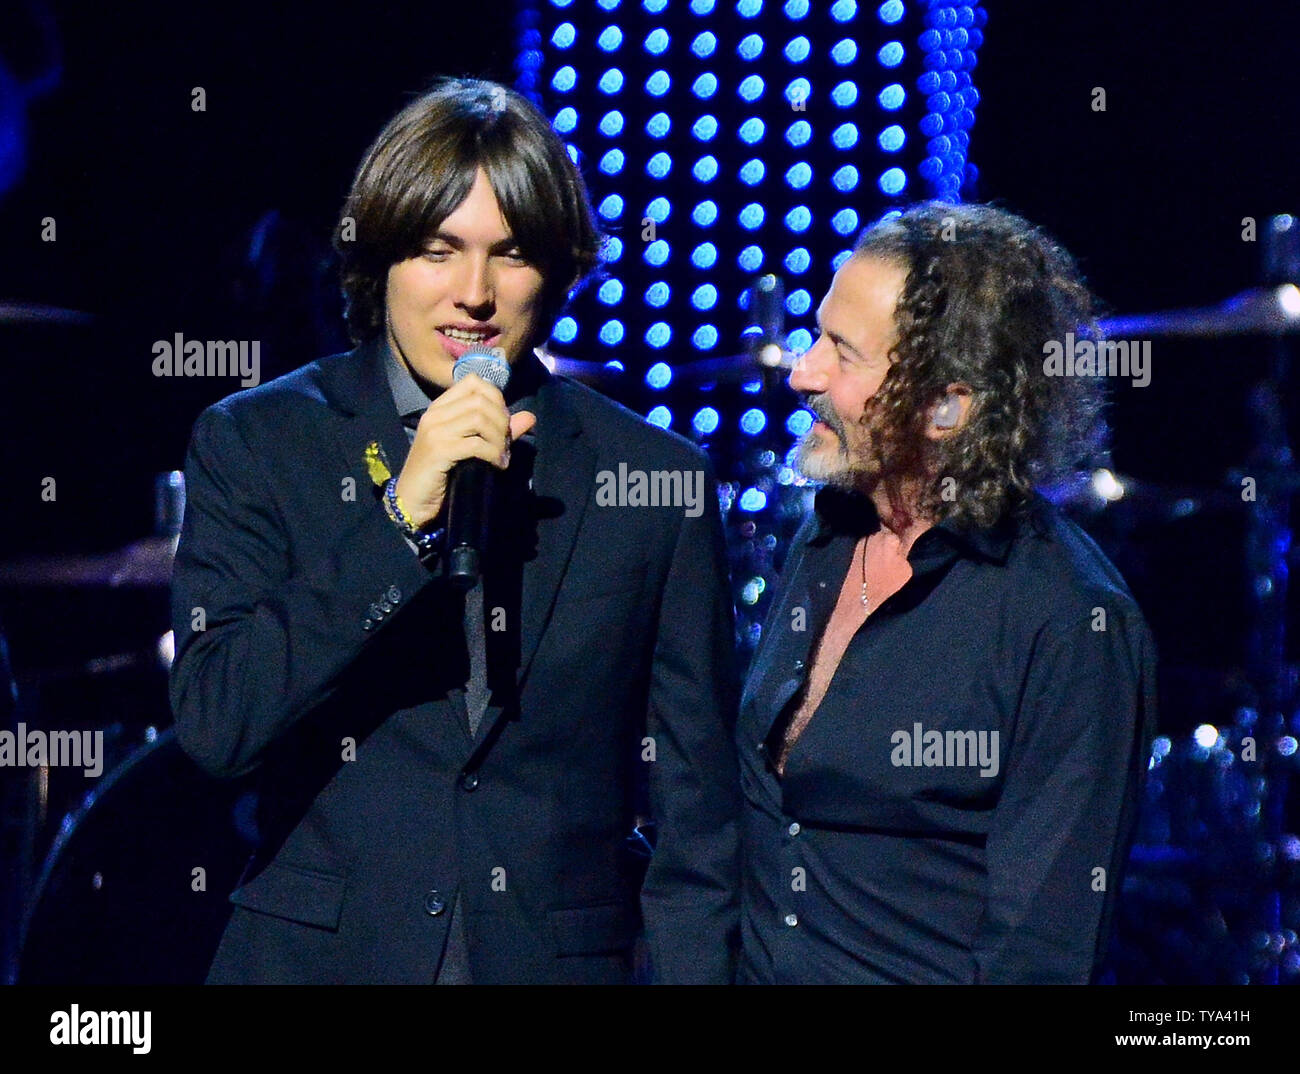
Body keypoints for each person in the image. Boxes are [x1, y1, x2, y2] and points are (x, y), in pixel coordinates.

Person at [169, 77, 740, 985]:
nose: (474, 294)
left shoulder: (657, 479)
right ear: (381, 259)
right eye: (439, 250)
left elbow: (700, 805)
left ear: (554, 271)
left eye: (509, 255)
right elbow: (216, 721)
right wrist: (400, 518)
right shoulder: (258, 440)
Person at [738, 202, 1156, 984]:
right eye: (816, 334)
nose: (802, 373)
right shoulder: (824, 539)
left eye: (842, 352)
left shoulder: (1071, 622)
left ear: (948, 407)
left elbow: (1039, 956)